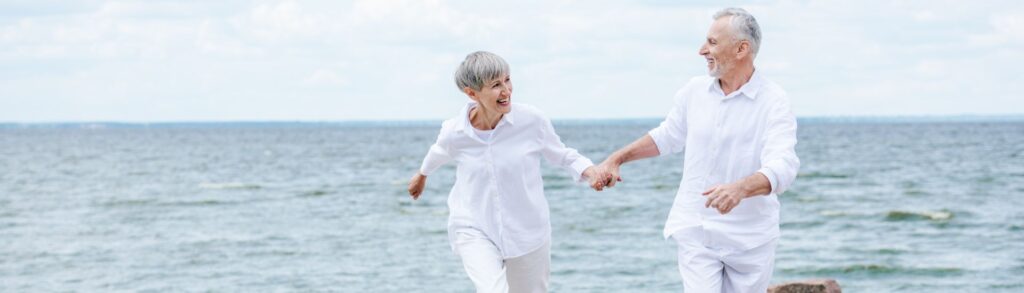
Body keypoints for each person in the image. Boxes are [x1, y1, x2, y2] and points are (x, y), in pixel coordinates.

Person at [596, 8, 800, 293]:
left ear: (742, 49)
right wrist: (617, 158)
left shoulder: (774, 100)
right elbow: (667, 136)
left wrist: (740, 189)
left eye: (713, 43)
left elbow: (784, 165)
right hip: (696, 228)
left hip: (751, 240)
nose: (702, 50)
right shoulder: (694, 91)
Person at [407, 51, 611, 293]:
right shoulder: (455, 131)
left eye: (507, 80)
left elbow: (563, 155)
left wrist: (591, 172)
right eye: (495, 85)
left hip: (527, 232)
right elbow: (439, 151)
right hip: (474, 227)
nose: (506, 90)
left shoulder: (531, 121)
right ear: (472, 93)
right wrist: (422, 175)